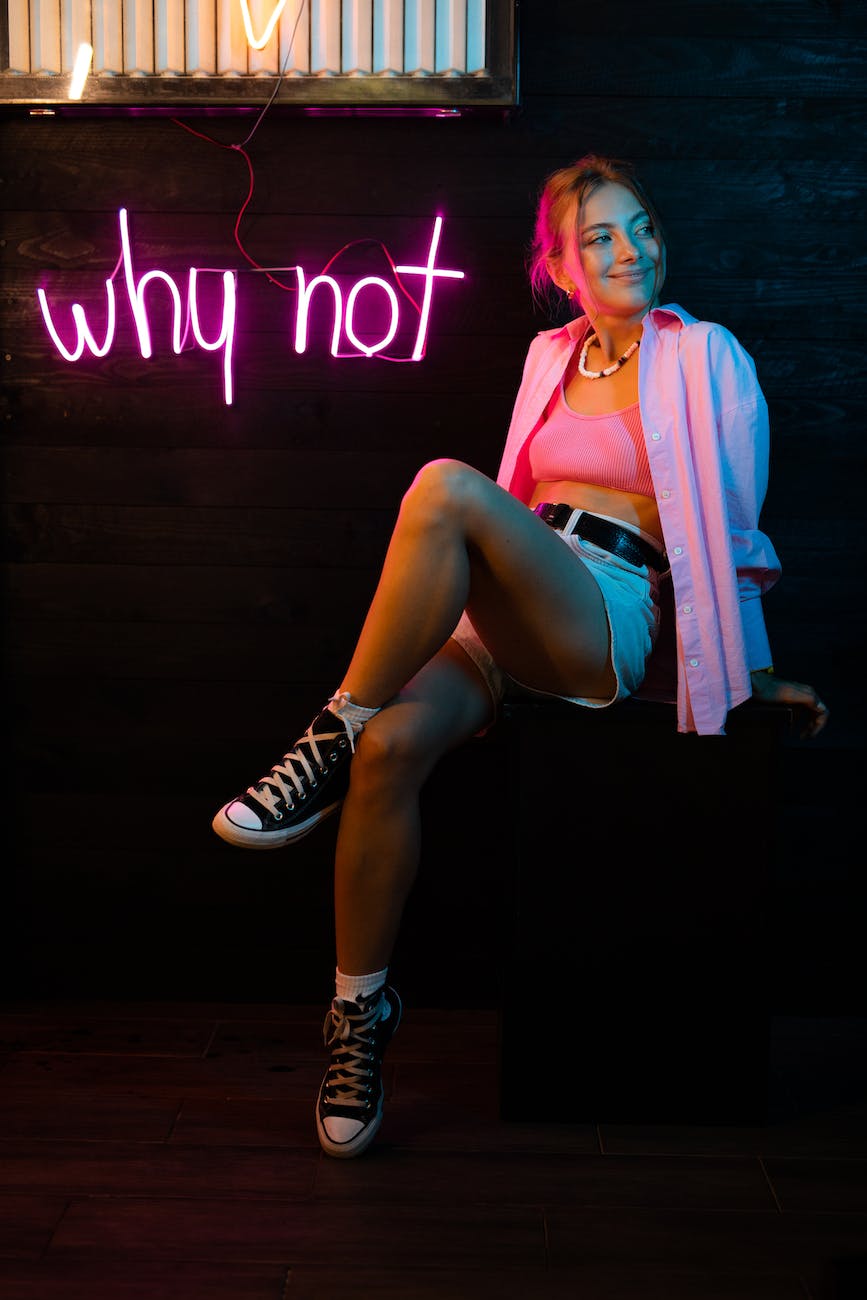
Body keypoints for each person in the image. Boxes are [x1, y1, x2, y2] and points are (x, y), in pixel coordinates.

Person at [211, 155, 829, 1159]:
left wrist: (751, 678)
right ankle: (358, 1015)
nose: (632, 249)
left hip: (606, 612)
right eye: (601, 237)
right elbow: (519, 500)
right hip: (505, 605)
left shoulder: (706, 353)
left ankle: (327, 729)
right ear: (563, 267)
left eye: (641, 228)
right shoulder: (550, 356)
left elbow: (736, 537)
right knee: (396, 747)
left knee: (443, 487)